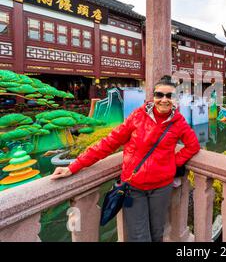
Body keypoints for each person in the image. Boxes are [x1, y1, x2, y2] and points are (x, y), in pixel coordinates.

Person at [51, 75, 200, 242]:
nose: (164, 100)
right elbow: (108, 143)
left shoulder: (178, 122)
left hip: (161, 188)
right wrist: (73, 166)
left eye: (169, 95)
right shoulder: (138, 116)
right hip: (133, 187)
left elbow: (192, 146)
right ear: (153, 97)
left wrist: (172, 164)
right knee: (139, 237)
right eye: (159, 95)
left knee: (157, 233)